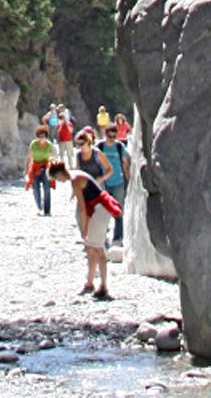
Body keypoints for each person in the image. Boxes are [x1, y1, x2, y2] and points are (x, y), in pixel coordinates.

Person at [68, 167, 121, 299]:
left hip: (98, 210)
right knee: (92, 249)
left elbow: (82, 208)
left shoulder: (75, 179)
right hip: (96, 209)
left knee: (97, 249)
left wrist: (84, 230)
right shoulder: (77, 176)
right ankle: (91, 283)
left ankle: (102, 285)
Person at [98, 123, 130, 245]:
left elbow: (125, 164)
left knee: (119, 211)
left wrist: (128, 180)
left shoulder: (119, 147)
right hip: (104, 183)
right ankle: (103, 236)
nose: (111, 138)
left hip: (118, 183)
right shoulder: (100, 147)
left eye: (114, 136)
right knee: (103, 211)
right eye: (109, 136)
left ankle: (118, 237)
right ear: (105, 134)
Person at [26, 122, 56, 216]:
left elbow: (52, 157)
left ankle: (47, 210)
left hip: (45, 168)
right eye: (40, 136)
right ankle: (39, 206)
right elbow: (29, 157)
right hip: (35, 168)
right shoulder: (33, 144)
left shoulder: (49, 145)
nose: (42, 138)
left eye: (43, 136)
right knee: (35, 188)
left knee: (47, 189)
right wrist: (26, 169)